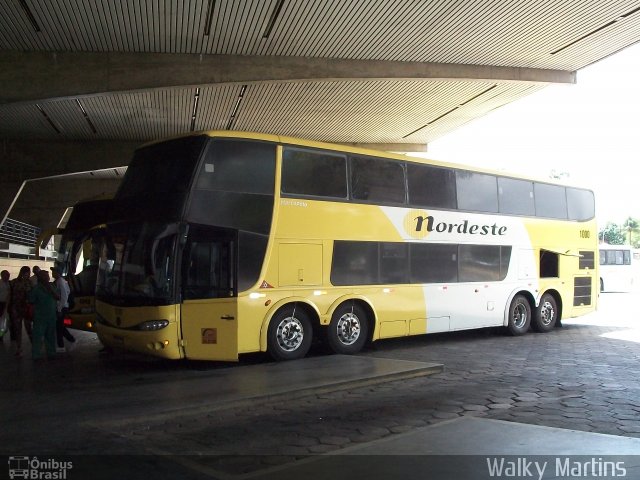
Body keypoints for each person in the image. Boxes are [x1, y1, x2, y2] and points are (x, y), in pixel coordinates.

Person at [28, 269, 58, 360]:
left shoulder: (52, 286)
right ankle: (36, 354)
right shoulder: (36, 289)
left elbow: (57, 297)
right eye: (45, 276)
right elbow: (31, 301)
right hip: (40, 316)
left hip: (51, 316)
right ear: (41, 278)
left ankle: (51, 352)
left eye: (48, 276)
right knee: (38, 336)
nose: (48, 277)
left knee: (51, 335)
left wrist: (50, 290)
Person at [51, 266, 76, 352]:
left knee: (59, 327)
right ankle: (64, 344)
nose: (52, 273)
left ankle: (65, 344)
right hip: (62, 307)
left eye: (54, 271)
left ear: (58, 273)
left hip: (62, 307)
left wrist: (59, 309)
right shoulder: (60, 281)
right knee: (60, 327)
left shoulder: (61, 282)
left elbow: (64, 297)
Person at [9, 266, 32, 357]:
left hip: (23, 308)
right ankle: (19, 348)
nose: (29, 274)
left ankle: (32, 346)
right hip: (18, 308)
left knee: (28, 328)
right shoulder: (16, 282)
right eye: (28, 273)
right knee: (18, 329)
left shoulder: (18, 282)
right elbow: (10, 295)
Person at [0, 270, 10, 340]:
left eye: (8, 275)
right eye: (7, 275)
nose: (8, 276)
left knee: (4, 321)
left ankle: (1, 334)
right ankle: (0, 336)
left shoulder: (9, 283)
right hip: (0, 304)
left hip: (7, 304)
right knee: (2, 320)